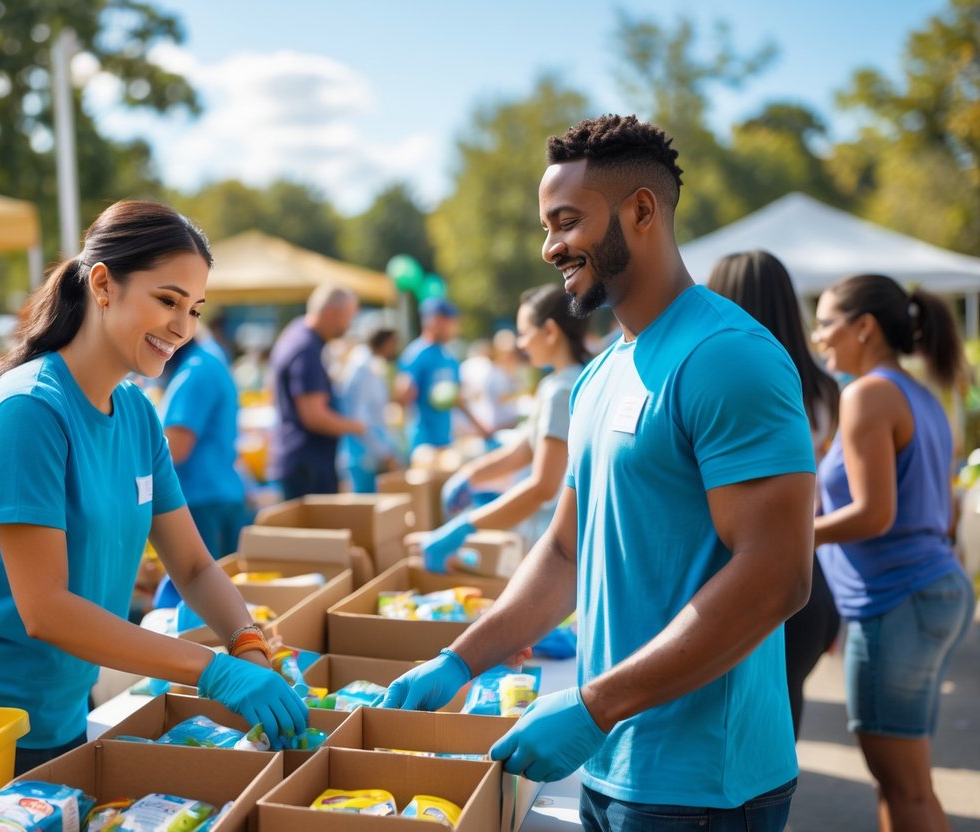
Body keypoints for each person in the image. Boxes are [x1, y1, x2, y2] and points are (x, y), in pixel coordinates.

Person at [382, 114, 816, 831]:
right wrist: (460, 660)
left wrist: (594, 706)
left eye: (565, 222)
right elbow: (561, 551)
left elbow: (776, 575)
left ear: (639, 211)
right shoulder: (597, 376)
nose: (550, 247)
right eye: (545, 228)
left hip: (705, 785)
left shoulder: (726, 356)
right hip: (611, 761)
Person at [0, 201, 308, 774]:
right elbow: (47, 610)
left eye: (195, 308)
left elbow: (194, 567)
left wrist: (248, 644)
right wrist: (213, 671)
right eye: (168, 300)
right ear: (103, 285)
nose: (183, 327)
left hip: (53, 719)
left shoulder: (135, 412)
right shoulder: (30, 409)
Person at [811, 273, 974, 832]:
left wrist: (793, 536)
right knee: (908, 787)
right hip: (928, 592)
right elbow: (943, 512)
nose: (817, 336)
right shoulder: (920, 395)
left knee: (905, 791)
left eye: (826, 322)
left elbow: (873, 514)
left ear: (864, 327)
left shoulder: (868, 395)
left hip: (898, 601)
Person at [707, 249, 842, 737]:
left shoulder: (729, 385)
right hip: (810, 577)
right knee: (780, 738)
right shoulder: (824, 389)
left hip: (744, 577)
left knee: (737, 736)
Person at [413, 284, 592, 568]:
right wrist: (470, 475)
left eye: (524, 334)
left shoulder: (561, 391)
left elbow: (542, 487)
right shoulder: (561, 383)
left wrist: (465, 527)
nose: (520, 345)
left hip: (560, 540)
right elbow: (524, 451)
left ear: (549, 331)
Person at [267, 284, 363, 499]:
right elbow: (314, 416)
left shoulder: (296, 333)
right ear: (330, 313)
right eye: (347, 318)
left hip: (299, 461)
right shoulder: (307, 348)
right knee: (317, 533)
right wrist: (357, 427)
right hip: (307, 467)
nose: (349, 326)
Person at [160, 335, 247, 558]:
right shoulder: (209, 359)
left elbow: (176, 449)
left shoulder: (196, 370)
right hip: (219, 493)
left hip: (202, 501)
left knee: (205, 585)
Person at [397, 296, 464, 451]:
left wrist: (482, 428)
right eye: (450, 322)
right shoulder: (415, 354)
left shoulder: (449, 357)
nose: (454, 327)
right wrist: (405, 392)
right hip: (422, 444)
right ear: (435, 321)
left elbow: (459, 400)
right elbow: (403, 397)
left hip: (446, 440)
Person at [338, 326, 399, 493]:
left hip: (367, 452)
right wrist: (384, 451)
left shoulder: (367, 365)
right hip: (364, 455)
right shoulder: (362, 369)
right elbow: (359, 420)